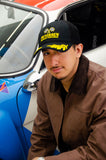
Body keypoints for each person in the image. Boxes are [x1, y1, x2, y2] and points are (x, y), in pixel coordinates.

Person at [27, 20, 106, 160]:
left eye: (60, 51)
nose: (53, 62)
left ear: (78, 50)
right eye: (47, 53)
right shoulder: (46, 82)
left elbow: (98, 153)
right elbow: (42, 136)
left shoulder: (102, 90)